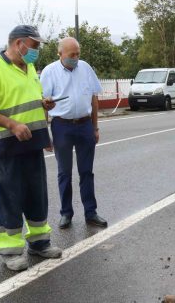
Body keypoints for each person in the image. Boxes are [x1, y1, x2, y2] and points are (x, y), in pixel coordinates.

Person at [0, 25, 62, 271]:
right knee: (10, 198)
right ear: (18, 44)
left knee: (37, 195)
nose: (37, 51)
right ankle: (10, 250)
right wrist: (12, 124)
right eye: (34, 46)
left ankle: (39, 242)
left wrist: (43, 103)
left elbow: (24, 100)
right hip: (6, 146)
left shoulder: (29, 67)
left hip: (32, 143)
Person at [40, 37, 107, 229]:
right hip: (62, 126)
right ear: (60, 54)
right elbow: (43, 104)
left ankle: (91, 212)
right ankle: (66, 213)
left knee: (86, 171)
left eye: (78, 54)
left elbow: (94, 99)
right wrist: (45, 134)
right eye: (72, 55)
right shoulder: (49, 72)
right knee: (64, 172)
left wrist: (95, 127)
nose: (76, 58)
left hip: (85, 125)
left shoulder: (85, 68)